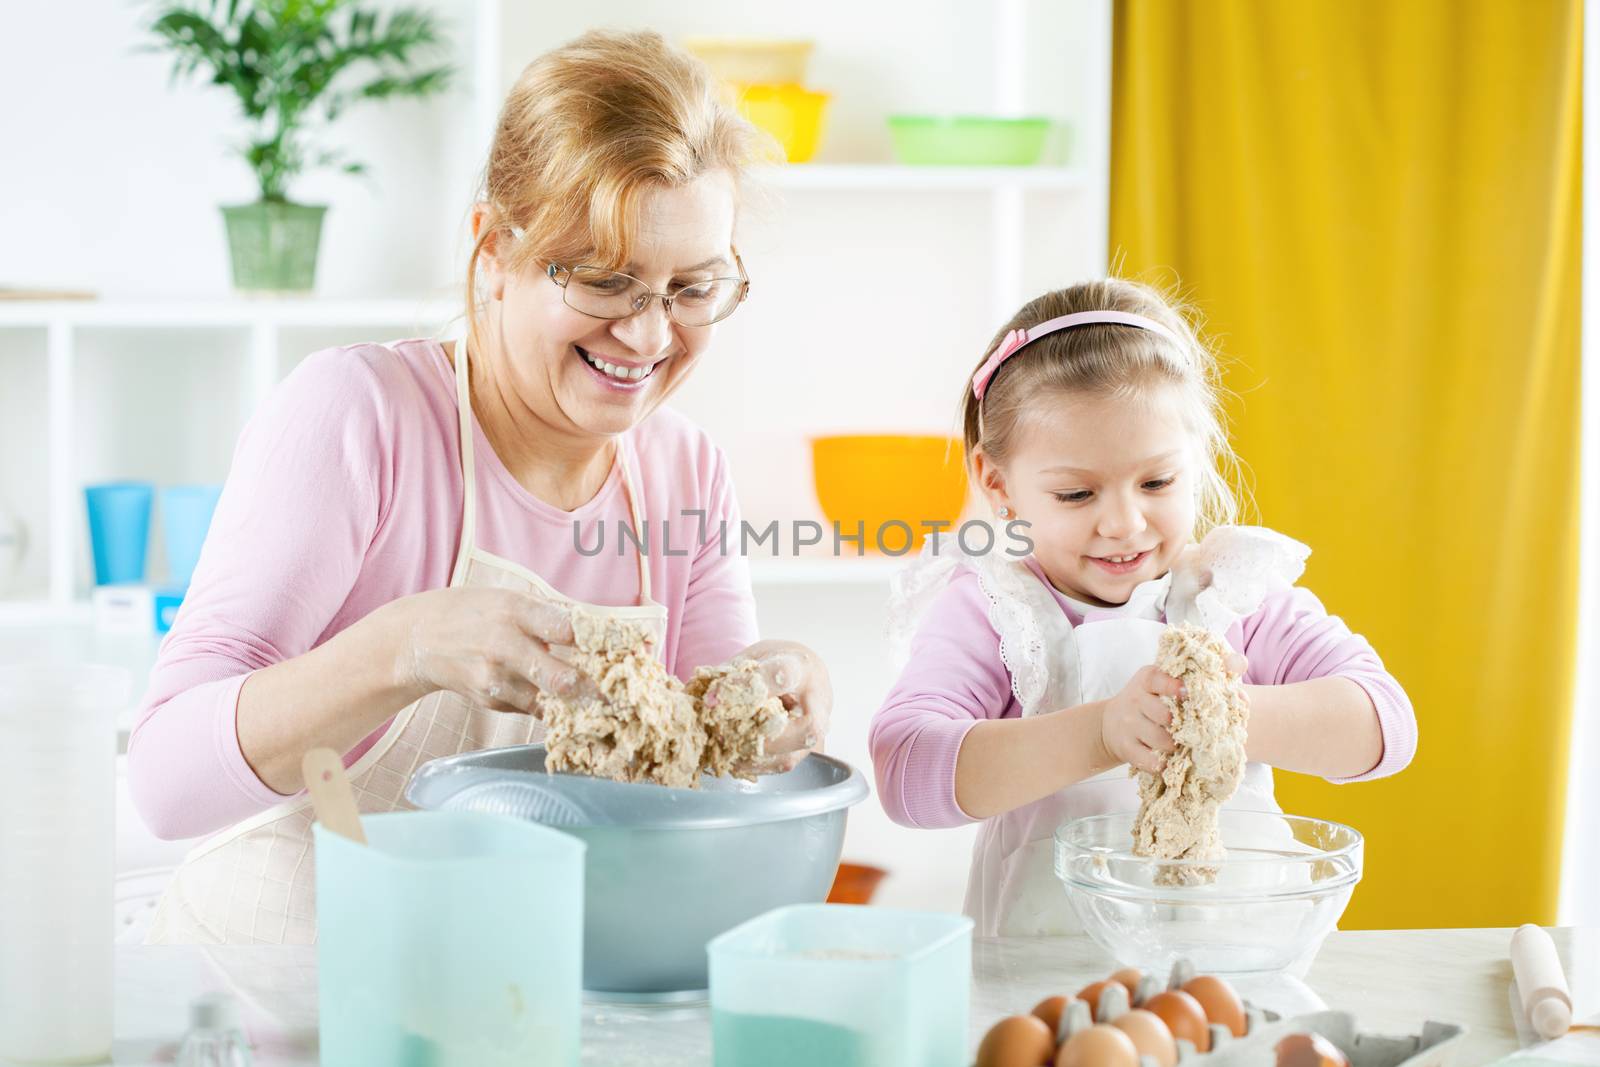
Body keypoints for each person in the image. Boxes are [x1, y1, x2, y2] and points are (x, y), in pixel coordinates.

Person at [129, 30, 832, 944]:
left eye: (693, 287)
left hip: (509, 994)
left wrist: (775, 705)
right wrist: (402, 648)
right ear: (495, 250)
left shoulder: (684, 471)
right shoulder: (360, 414)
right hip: (280, 985)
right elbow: (163, 781)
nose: (651, 335)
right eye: (606, 279)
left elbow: (713, 802)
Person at [869, 278, 1416, 937]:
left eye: (1157, 481)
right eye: (1076, 493)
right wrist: (1102, 732)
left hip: (1230, 966)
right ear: (998, 484)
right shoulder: (994, 609)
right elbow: (904, 769)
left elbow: (1384, 725)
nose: (1124, 523)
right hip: (1040, 980)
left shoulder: (1231, 593)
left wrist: (1214, 715)